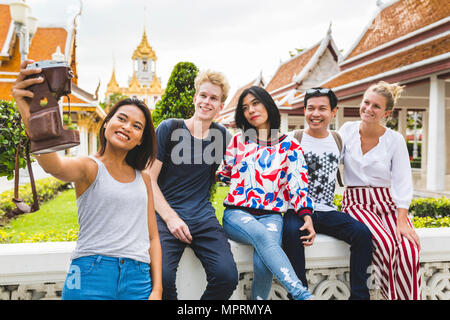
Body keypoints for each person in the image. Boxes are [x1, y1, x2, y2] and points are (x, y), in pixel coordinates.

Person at [11, 60, 162, 300]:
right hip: (91, 273)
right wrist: (29, 112)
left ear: (141, 139)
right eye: (121, 119)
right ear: (107, 123)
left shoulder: (143, 178)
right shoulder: (89, 167)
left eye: (136, 126)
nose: (126, 127)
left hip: (138, 277)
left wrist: (157, 290)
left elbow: (153, 237)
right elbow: (54, 165)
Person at [217, 86, 314, 300]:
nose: (250, 110)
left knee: (263, 264)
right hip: (237, 214)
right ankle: (302, 295)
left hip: (271, 215)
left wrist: (307, 217)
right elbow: (223, 173)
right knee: (262, 237)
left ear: (267, 104)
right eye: (245, 108)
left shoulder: (290, 145)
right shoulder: (238, 142)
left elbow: (298, 185)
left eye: (255, 103)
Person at [148, 70, 238, 300]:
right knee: (163, 279)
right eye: (203, 95)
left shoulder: (222, 136)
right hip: (166, 216)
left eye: (214, 98)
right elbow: (148, 179)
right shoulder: (169, 129)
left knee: (227, 276)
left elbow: (240, 170)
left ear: (221, 105)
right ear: (195, 98)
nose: (207, 102)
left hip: (202, 217)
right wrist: (171, 218)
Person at [282, 87, 373, 300]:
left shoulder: (338, 140)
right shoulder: (291, 140)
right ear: (304, 111)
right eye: (310, 108)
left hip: (327, 210)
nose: (315, 114)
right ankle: (299, 294)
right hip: (296, 209)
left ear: (333, 112)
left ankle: (360, 296)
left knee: (362, 234)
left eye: (322, 108)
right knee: (292, 234)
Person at [339, 81, 422, 300]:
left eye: (376, 106)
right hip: (356, 203)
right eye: (366, 102)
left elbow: (403, 181)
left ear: (386, 112)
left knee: (408, 248)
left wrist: (402, 220)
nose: (368, 109)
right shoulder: (346, 131)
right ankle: (389, 296)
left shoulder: (395, 140)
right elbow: (326, 158)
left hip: (387, 203)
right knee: (385, 243)